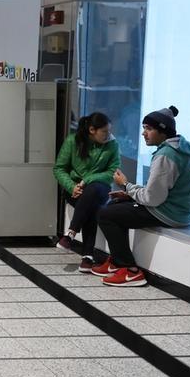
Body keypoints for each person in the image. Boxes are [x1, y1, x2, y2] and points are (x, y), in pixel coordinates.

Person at [93, 106, 190, 286]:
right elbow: (160, 190)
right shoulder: (183, 149)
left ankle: (130, 270)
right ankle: (115, 262)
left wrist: (126, 185)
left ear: (163, 131)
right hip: (181, 211)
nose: (144, 133)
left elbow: (153, 199)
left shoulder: (166, 155)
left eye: (149, 129)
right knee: (114, 206)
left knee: (106, 215)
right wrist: (129, 194)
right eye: (144, 128)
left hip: (169, 213)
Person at [53, 112, 121, 272]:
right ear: (92, 130)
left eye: (109, 131)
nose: (108, 135)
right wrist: (71, 186)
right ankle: (87, 257)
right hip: (75, 191)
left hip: (101, 188)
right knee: (93, 206)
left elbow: (113, 171)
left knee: (93, 190)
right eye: (104, 131)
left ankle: (70, 233)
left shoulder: (112, 144)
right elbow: (59, 168)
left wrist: (87, 179)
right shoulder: (73, 141)